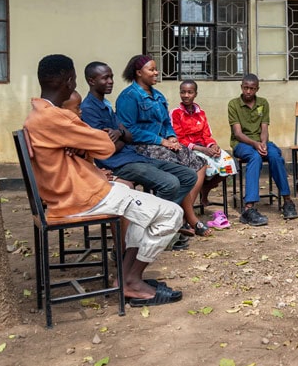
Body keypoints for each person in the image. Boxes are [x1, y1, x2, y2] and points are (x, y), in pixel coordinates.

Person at [25, 54, 183, 306]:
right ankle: (131, 282)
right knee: (172, 214)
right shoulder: (56, 118)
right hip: (81, 197)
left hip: (81, 190)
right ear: (69, 81)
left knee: (143, 215)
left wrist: (80, 145)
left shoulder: (39, 114)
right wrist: (87, 141)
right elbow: (104, 145)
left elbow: (96, 145)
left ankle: (126, 278)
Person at [115, 55, 212, 237]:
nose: (156, 72)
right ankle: (187, 218)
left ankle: (179, 215)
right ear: (138, 73)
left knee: (199, 162)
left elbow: (167, 122)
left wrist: (171, 137)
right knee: (179, 167)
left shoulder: (158, 96)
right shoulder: (129, 97)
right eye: (151, 69)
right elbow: (129, 131)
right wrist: (161, 141)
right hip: (142, 148)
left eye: (155, 69)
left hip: (164, 144)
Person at [227, 73, 298, 225]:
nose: (248, 92)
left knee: (275, 156)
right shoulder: (233, 104)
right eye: (246, 88)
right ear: (241, 87)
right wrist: (255, 144)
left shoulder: (263, 103)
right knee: (255, 157)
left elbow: (264, 128)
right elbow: (238, 134)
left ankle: (287, 201)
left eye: (252, 89)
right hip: (242, 144)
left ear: (257, 89)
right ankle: (249, 208)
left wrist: (264, 143)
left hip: (261, 142)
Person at [171, 80, 234, 230]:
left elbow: (207, 134)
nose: (186, 95)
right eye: (183, 92)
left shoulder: (201, 113)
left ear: (195, 94)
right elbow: (180, 138)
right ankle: (188, 212)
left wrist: (213, 146)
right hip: (187, 149)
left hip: (204, 147)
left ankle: (205, 189)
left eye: (190, 92)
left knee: (228, 164)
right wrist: (202, 149)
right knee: (203, 164)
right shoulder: (176, 113)